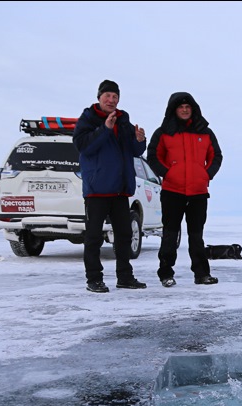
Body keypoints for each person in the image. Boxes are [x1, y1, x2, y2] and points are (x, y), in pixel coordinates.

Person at [73, 80, 147, 293]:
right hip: (97, 190)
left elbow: (134, 150)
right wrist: (105, 129)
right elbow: (83, 146)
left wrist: (140, 141)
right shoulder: (88, 118)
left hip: (120, 189)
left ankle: (125, 277)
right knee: (94, 237)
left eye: (115, 97)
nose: (112, 100)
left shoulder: (123, 119)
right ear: (99, 97)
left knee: (124, 235)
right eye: (108, 96)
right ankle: (94, 279)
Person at [147, 92, 223, 287]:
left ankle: (201, 274)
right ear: (174, 109)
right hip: (172, 191)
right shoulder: (163, 132)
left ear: (193, 108)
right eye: (180, 107)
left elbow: (216, 156)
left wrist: (206, 174)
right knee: (170, 234)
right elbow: (153, 155)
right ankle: (166, 274)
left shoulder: (205, 132)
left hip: (198, 192)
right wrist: (167, 173)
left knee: (196, 235)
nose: (184, 109)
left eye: (188, 106)